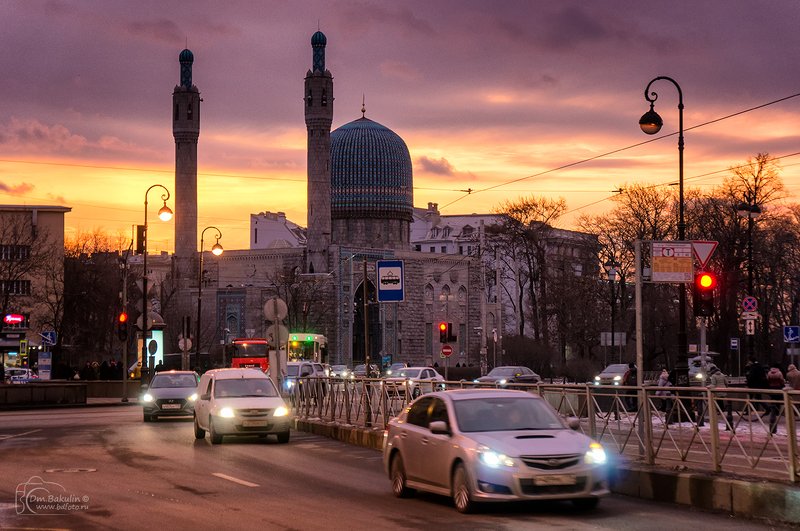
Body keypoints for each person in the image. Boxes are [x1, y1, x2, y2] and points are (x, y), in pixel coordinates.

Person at [709, 366, 734, 432]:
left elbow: (713, 384)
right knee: (721, 400)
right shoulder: (722, 375)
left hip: (717, 390)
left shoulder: (713, 376)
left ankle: (719, 410)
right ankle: (722, 409)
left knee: (718, 400)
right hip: (723, 389)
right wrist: (726, 388)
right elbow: (726, 382)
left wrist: (708, 387)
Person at [766, 364, 785, 434]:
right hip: (778, 387)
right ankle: (778, 412)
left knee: (773, 400)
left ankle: (773, 411)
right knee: (779, 400)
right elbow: (782, 380)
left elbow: (768, 380)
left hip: (771, 388)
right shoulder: (779, 373)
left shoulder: (769, 373)